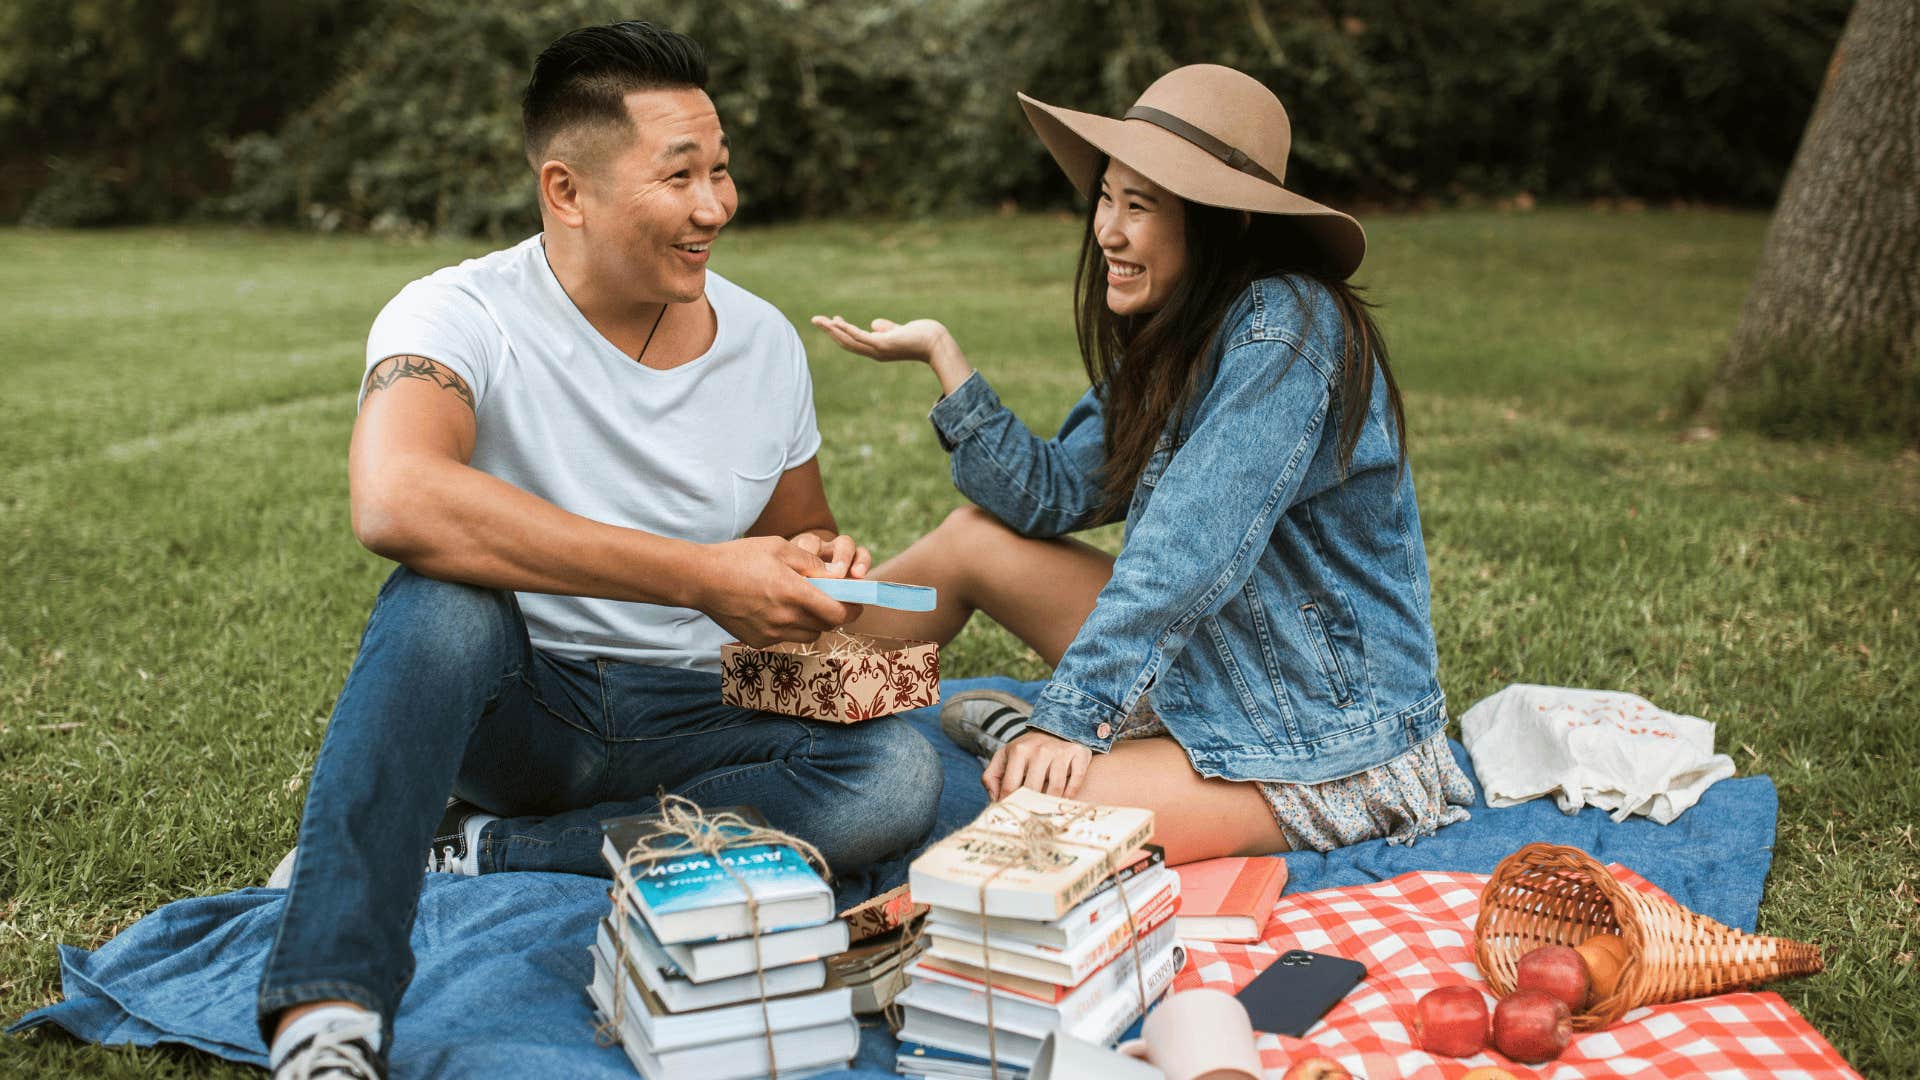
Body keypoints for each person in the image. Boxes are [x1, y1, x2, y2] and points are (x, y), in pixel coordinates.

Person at [257, 22, 941, 1080]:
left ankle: (480, 847)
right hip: (524, 708)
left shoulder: (761, 343)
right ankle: (326, 1013)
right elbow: (396, 498)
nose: (716, 205)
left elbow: (790, 535)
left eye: (721, 169)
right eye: (681, 176)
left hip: (692, 705)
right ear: (566, 190)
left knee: (895, 775)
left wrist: (814, 570)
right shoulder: (457, 312)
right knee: (442, 600)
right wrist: (697, 575)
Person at [814, 64, 1470, 867]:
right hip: (1214, 660)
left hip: (1324, 728)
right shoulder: (1185, 329)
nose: (1108, 232)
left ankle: (1052, 738)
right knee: (968, 541)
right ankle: (780, 709)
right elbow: (1048, 495)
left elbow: (1189, 549)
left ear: (1217, 221)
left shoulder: (1289, 329)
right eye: (1106, 197)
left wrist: (1071, 716)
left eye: (1140, 206)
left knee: (1027, 830)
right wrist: (945, 359)